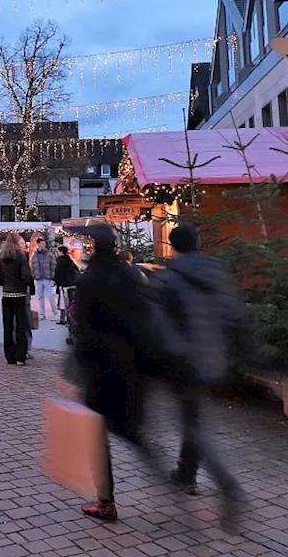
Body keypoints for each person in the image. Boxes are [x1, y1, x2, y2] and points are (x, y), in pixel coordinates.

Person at [69, 223, 167, 522]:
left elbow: (83, 332)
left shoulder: (89, 280)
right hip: (133, 367)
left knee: (97, 437)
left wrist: (73, 374)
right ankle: (163, 476)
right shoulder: (132, 275)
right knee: (131, 431)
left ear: (94, 247)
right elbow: (148, 318)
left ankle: (106, 501)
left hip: (101, 371)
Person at [156, 223, 249, 519]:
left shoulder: (170, 277)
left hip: (184, 362)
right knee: (192, 419)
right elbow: (235, 315)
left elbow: (159, 324)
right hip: (214, 359)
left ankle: (226, 484)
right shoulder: (217, 271)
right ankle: (186, 473)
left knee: (191, 424)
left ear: (173, 246)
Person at [0, 233, 32, 365]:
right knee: (20, 326)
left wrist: (5, 283)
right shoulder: (20, 257)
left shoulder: (2, 257)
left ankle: (10, 356)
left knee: (8, 326)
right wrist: (24, 284)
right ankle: (20, 356)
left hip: (6, 294)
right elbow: (27, 276)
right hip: (19, 294)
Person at [29, 236, 56, 321]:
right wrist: (33, 275)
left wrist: (52, 277)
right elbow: (32, 266)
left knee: (51, 296)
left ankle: (55, 313)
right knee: (40, 297)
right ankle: (42, 314)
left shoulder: (49, 254)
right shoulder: (34, 255)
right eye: (41, 244)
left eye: (43, 244)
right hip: (38, 278)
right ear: (38, 244)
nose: (42, 245)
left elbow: (53, 265)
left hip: (47, 278)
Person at [53, 244, 79, 327]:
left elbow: (57, 273)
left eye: (57, 251)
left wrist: (56, 282)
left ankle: (65, 319)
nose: (56, 253)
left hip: (64, 285)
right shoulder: (70, 261)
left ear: (61, 252)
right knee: (70, 302)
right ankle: (69, 319)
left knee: (63, 303)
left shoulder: (60, 261)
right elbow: (77, 270)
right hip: (72, 284)